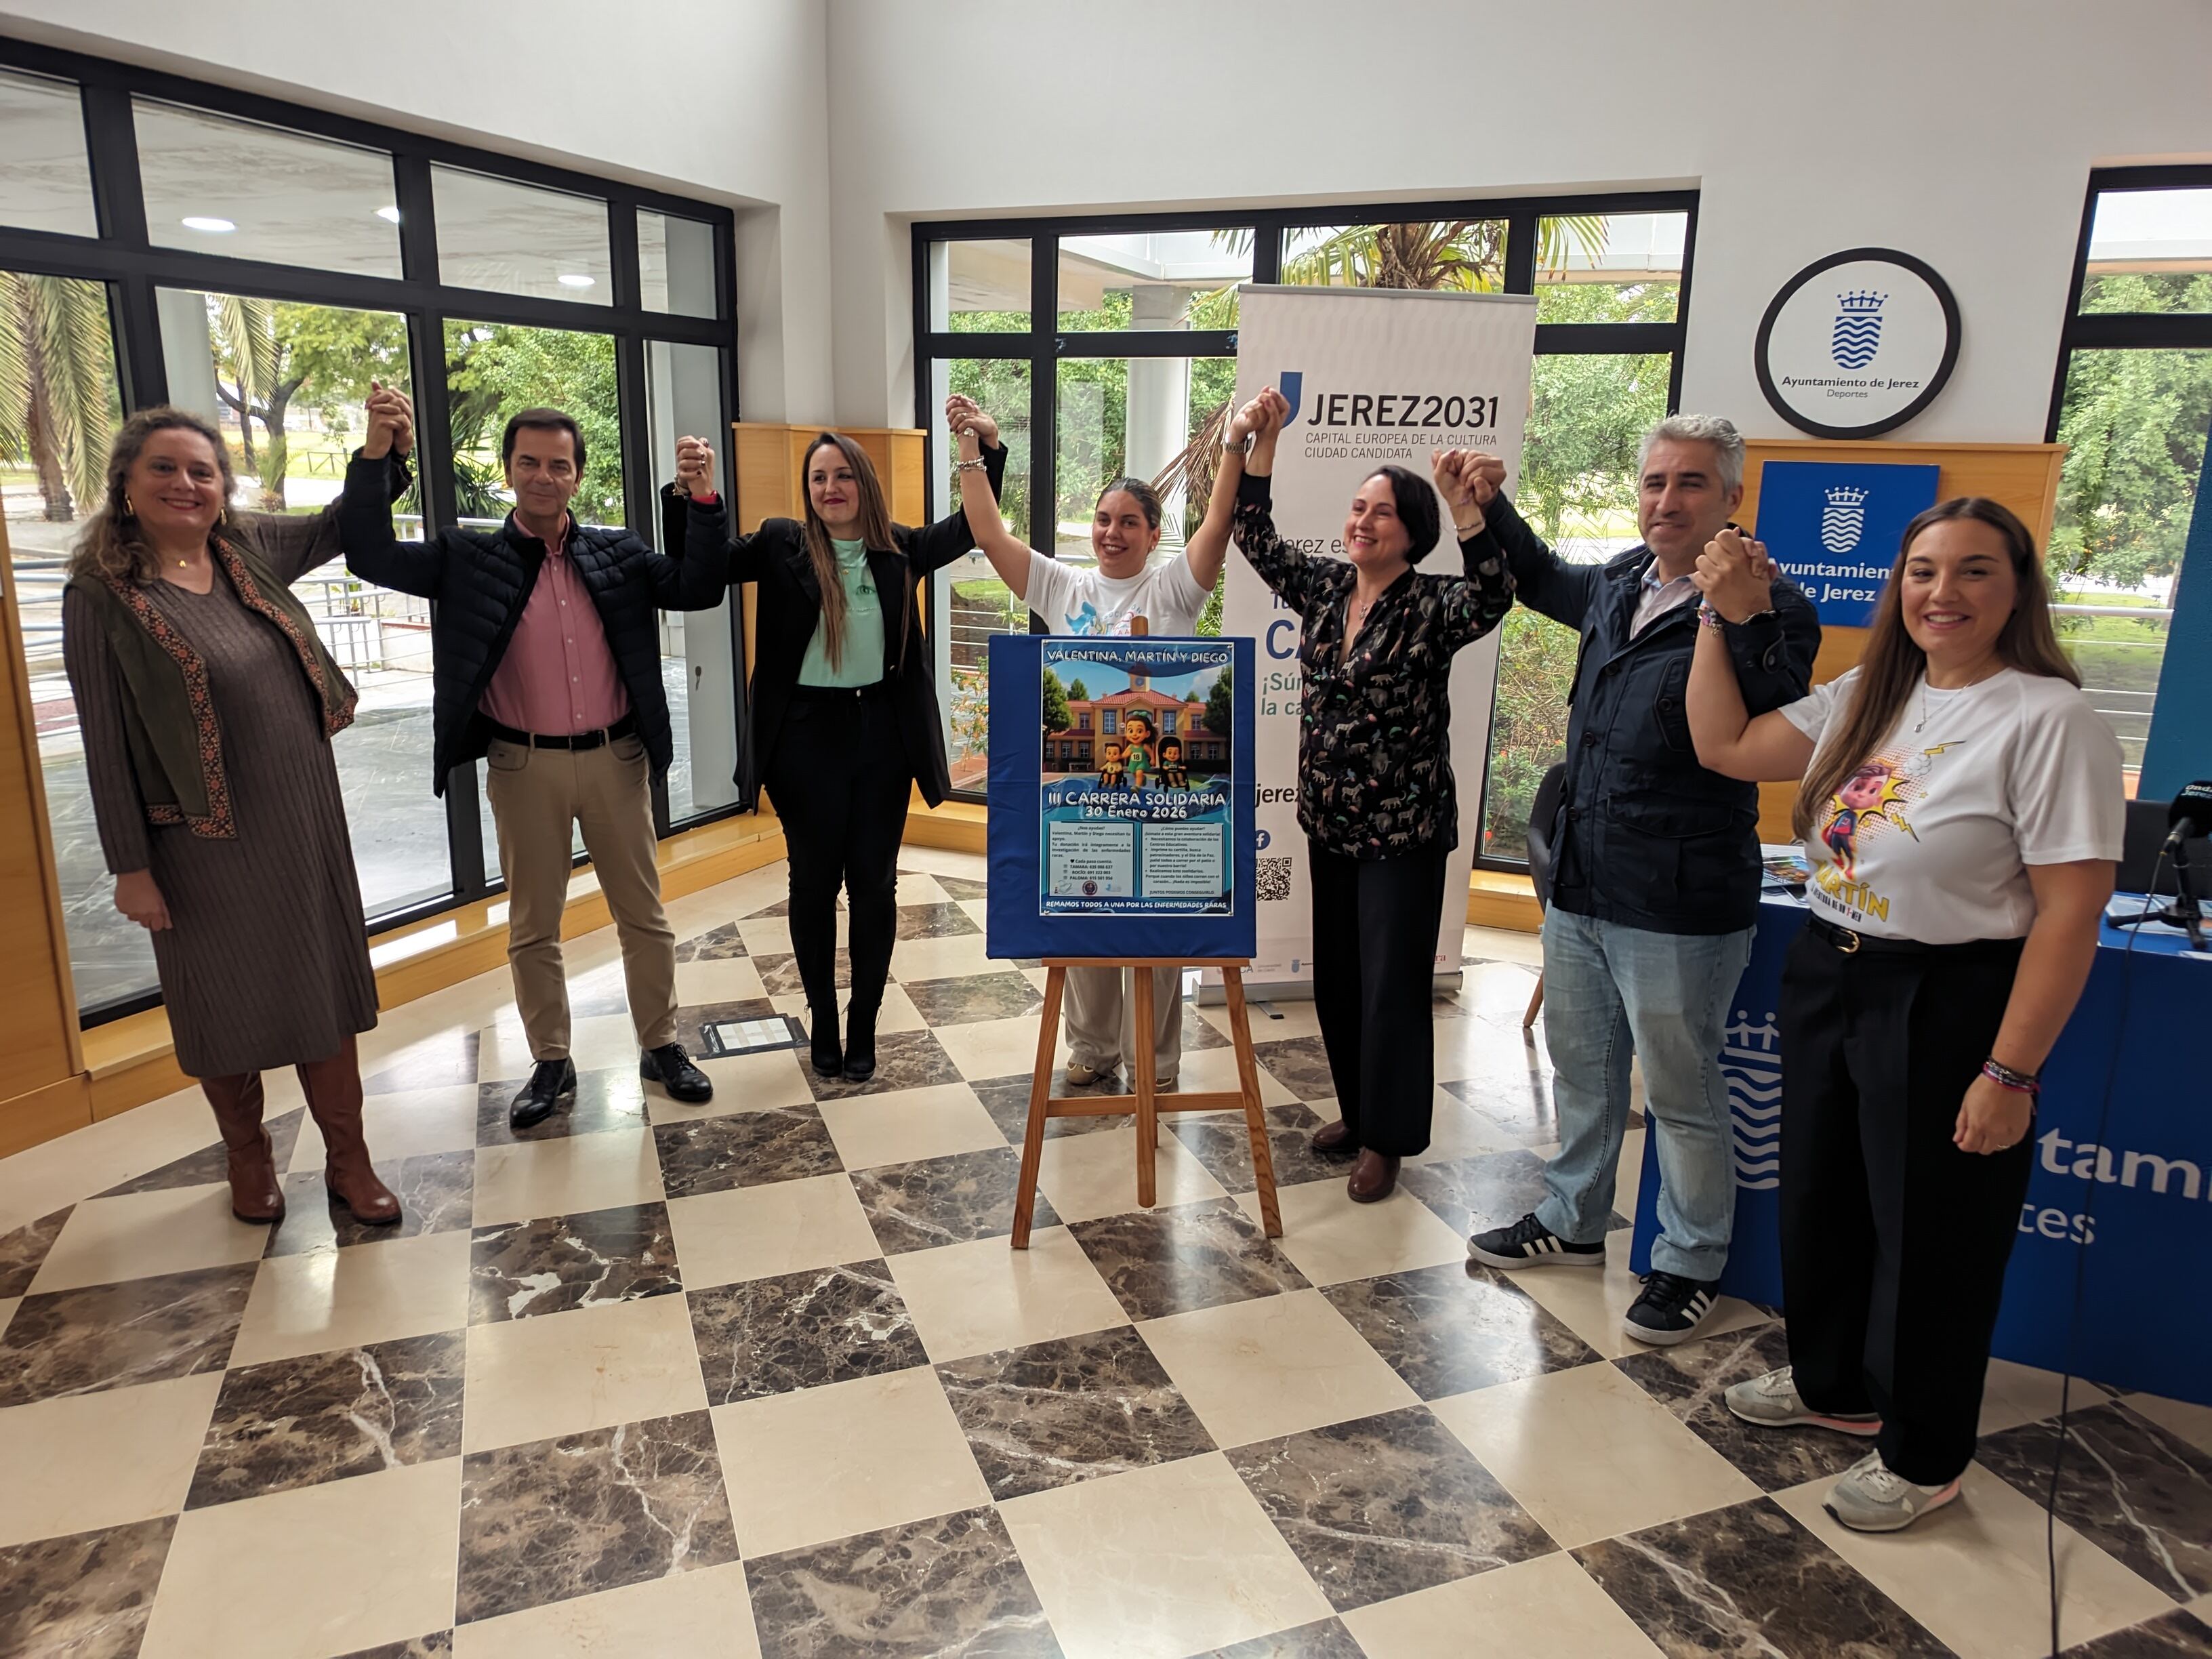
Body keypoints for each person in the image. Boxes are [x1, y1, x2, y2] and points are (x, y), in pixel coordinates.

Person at [1686, 502, 2120, 1532]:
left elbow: (2071, 912)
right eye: (1923, 570)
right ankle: (1833, 1384)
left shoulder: (2048, 719)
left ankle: (1925, 1451)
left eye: (1974, 571)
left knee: (1935, 1235)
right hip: (1830, 971)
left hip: (1949, 994)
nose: (1942, 593)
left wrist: (2009, 1073)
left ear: (2018, 588)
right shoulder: (1874, 693)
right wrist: (1712, 614)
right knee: (1823, 1199)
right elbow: (1726, 746)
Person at [1454, 416, 1822, 1345]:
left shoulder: (1777, 606)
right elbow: (1540, 575)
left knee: (1681, 1094)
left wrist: (1737, 613)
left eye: (1691, 483)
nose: (1667, 500)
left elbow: (1770, 722)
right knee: (1584, 1073)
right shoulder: (1622, 581)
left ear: (1731, 497)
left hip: (1680, 899)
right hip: (1584, 882)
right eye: (1656, 482)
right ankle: (1574, 1219)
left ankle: (1689, 1262)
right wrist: (1490, 505)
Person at [340, 388, 729, 1128]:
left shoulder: (617, 552)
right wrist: (379, 458)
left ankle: (661, 1045)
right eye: (529, 463)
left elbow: (698, 586)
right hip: (523, 767)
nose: (543, 477)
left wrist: (701, 499)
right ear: (509, 470)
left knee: (644, 918)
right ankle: (551, 1059)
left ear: (577, 475)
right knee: (533, 928)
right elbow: (370, 555)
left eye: (558, 465)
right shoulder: (467, 557)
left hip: (614, 759)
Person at [62, 407, 409, 1226]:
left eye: (202, 471)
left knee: (323, 989)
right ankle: (247, 1156)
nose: (185, 484)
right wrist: (130, 868)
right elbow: (104, 743)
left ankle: (349, 1161)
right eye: (164, 468)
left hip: (302, 818)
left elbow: (340, 524)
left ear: (222, 487)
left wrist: (377, 454)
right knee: (220, 1000)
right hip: (197, 840)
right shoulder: (100, 596)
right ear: (126, 482)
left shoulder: (244, 547)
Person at [1224, 387, 1515, 1202]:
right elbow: (1254, 534)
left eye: (1382, 512)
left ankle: (1389, 1139)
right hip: (1330, 823)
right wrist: (1263, 444)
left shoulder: (1433, 604)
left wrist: (1466, 508)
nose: (1363, 521)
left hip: (1403, 832)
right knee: (1342, 982)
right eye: (1358, 508)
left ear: (1413, 531)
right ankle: (1357, 1113)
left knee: (1392, 989)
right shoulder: (1324, 589)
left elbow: (1496, 592)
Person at [661, 426, 1006, 1082]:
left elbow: (973, 525)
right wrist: (695, 495)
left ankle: (864, 1021)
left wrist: (983, 450)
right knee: (814, 884)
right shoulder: (779, 543)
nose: (830, 488)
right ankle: (822, 1015)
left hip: (881, 738)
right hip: (803, 739)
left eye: (843, 475)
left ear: (864, 484)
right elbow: (704, 568)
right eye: (818, 478)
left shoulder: (899, 548)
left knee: (874, 885)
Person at [948, 392, 1244, 1094]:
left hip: (1165, 802)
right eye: (1105, 519)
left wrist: (1234, 445)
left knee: (1160, 927)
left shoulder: (1175, 589)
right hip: (1087, 798)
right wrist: (970, 448)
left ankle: (1156, 1062)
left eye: (1129, 522)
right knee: (1085, 909)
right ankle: (1094, 1048)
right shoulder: (1062, 585)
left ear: (1154, 533)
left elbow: (1220, 520)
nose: (1113, 533)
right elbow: (988, 533)